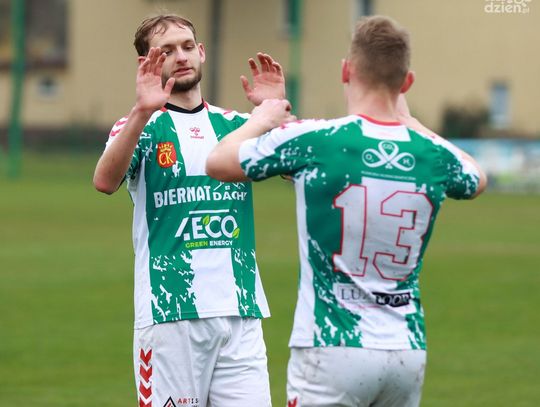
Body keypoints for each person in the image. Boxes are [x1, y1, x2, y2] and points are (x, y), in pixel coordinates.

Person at [206, 15, 487, 407]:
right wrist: (409, 121)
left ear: (345, 71)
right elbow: (476, 177)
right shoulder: (432, 155)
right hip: (406, 348)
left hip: (331, 344)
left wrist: (264, 117)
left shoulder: (316, 139)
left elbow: (218, 162)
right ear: (407, 82)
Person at [93, 14, 286, 407]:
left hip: (241, 310)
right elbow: (105, 181)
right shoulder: (141, 127)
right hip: (170, 313)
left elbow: (297, 166)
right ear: (147, 63)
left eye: (186, 46)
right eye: (166, 51)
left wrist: (277, 116)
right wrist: (141, 111)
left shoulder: (237, 126)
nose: (180, 56)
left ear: (201, 52)